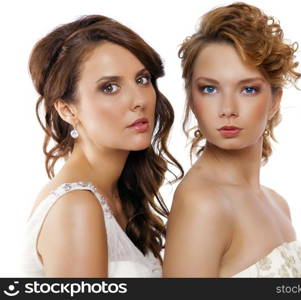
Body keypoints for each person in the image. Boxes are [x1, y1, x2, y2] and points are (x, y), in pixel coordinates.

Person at [21, 15, 182, 277]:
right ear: (66, 109)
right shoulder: (76, 207)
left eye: (142, 80)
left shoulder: (120, 195)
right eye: (109, 87)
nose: (138, 100)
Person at [163, 2, 301, 277]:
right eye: (209, 89)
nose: (227, 108)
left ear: (274, 101)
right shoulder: (202, 203)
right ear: (192, 99)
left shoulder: (278, 204)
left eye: (248, 89)